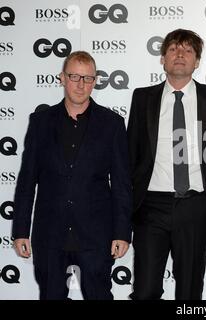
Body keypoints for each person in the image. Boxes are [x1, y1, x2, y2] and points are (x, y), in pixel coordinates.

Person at [12, 51, 132, 300]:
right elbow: (26, 180)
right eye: (74, 76)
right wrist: (21, 229)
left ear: (95, 81)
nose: (81, 84)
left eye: (87, 78)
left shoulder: (112, 124)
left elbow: (121, 183)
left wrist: (122, 232)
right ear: (62, 78)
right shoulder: (40, 122)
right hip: (50, 233)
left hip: (96, 235)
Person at [127, 29, 206, 300]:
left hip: (195, 206)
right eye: (174, 49)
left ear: (197, 61)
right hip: (150, 207)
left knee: (189, 291)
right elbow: (132, 154)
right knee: (145, 290)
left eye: (188, 50)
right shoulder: (142, 98)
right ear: (163, 58)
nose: (180, 55)